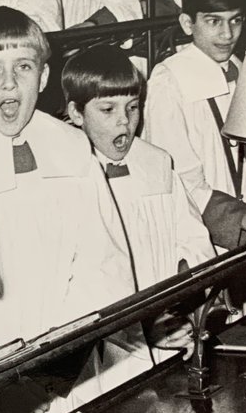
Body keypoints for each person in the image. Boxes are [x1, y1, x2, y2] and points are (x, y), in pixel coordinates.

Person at [0, 7, 150, 413]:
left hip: (73, 364)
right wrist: (5, 379)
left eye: (23, 67)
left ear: (44, 77)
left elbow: (102, 264)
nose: (9, 84)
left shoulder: (71, 146)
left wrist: (55, 368)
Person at [63, 44, 215, 295]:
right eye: (108, 109)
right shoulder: (67, 177)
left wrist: (185, 282)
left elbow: (194, 240)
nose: (124, 120)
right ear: (77, 114)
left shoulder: (157, 164)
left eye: (132, 107)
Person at [144, 0, 246, 249]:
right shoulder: (169, 81)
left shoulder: (243, 66)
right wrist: (239, 217)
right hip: (209, 231)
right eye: (214, 21)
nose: (227, 34)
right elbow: (178, 178)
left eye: (235, 21)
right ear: (188, 24)